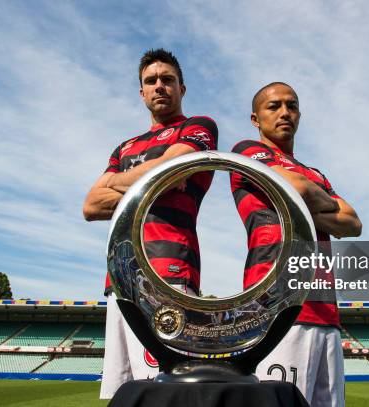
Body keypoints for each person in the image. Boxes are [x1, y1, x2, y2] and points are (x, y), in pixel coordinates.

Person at [83, 48, 218, 399]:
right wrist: (152, 179)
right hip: (119, 280)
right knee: (123, 394)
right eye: (151, 81)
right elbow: (90, 205)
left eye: (167, 80)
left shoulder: (198, 127)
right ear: (141, 92)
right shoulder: (125, 146)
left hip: (168, 274)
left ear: (182, 89)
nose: (159, 86)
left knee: (167, 393)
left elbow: (170, 173)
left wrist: (118, 181)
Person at [230, 82, 361, 407]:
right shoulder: (247, 151)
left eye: (292, 105)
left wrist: (302, 199)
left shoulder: (315, 172)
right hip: (277, 308)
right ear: (255, 119)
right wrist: (326, 203)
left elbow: (353, 223)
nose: (285, 112)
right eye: (274, 106)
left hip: (325, 311)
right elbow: (296, 189)